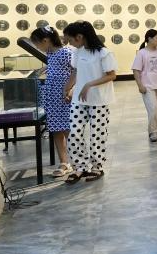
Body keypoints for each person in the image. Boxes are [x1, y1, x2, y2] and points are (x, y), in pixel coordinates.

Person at [62, 21, 117, 184]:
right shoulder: (77, 52)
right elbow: (76, 71)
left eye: (70, 39)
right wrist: (67, 88)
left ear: (79, 37)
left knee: (97, 135)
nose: (69, 43)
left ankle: (97, 167)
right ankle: (80, 167)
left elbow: (112, 75)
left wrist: (89, 84)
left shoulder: (103, 53)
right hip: (79, 99)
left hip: (99, 100)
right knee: (74, 132)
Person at [29, 26, 74, 177]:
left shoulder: (66, 52)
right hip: (51, 96)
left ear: (45, 40)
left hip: (64, 95)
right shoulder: (50, 53)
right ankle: (64, 162)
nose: (37, 47)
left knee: (68, 129)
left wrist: (71, 89)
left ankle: (77, 160)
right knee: (56, 129)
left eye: (37, 44)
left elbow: (77, 71)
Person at [131, 29, 157, 143]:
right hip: (147, 86)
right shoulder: (141, 53)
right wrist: (140, 85)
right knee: (153, 108)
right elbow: (136, 70)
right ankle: (152, 132)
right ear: (149, 38)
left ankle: (154, 129)